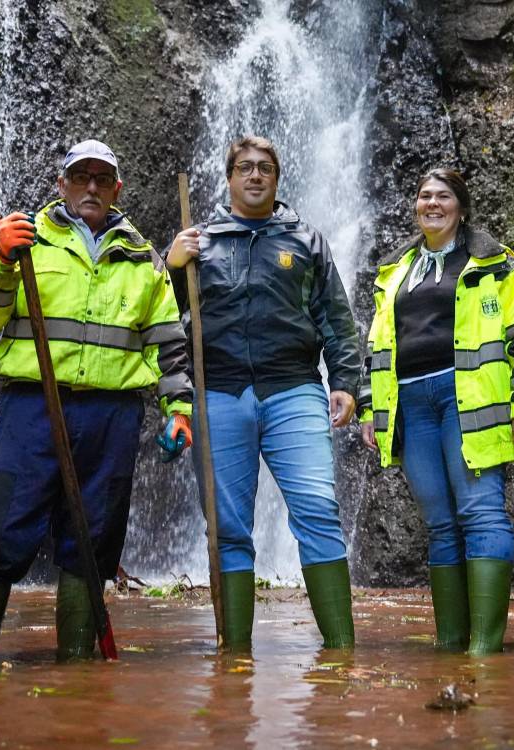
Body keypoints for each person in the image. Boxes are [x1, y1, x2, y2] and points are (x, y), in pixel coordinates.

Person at [0, 139, 194, 662]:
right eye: (80, 177)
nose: (91, 187)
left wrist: (178, 411)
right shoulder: (24, 241)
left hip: (112, 416)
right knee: (1, 532)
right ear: (61, 184)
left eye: (101, 179)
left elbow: (168, 346)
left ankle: (76, 673)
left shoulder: (144, 259)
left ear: (116, 189)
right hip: (32, 408)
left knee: (94, 542)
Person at [166, 135, 360, 650]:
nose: (255, 176)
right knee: (227, 527)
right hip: (220, 393)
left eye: (265, 168)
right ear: (229, 177)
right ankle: (235, 658)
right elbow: (162, 323)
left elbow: (336, 318)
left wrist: (344, 381)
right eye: (245, 168)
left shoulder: (306, 240)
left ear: (277, 178)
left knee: (318, 509)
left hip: (293, 388)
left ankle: (341, 652)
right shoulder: (199, 242)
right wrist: (169, 267)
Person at [357, 169, 514, 655]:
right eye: (424, 196)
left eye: (443, 196)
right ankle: (450, 642)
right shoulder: (394, 272)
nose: (432, 204)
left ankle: (484, 648)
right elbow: (376, 343)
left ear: (461, 206)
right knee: (440, 523)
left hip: (471, 399)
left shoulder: (499, 267)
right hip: (411, 403)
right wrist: (368, 409)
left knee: (480, 513)